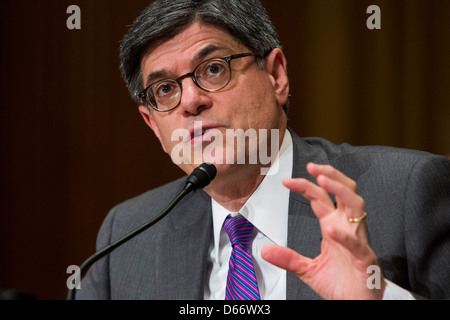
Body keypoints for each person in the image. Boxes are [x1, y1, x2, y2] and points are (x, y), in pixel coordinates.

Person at [77, 0, 450, 300]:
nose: (190, 101)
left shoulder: (406, 192)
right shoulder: (125, 237)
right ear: (152, 124)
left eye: (212, 69)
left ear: (276, 76)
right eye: (164, 90)